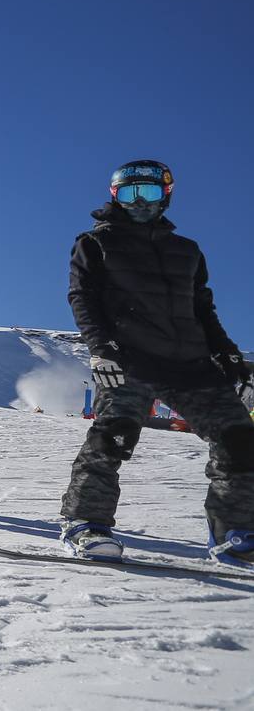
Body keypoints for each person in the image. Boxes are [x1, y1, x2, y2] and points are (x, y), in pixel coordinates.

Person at [60, 160, 254, 566]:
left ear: (166, 195)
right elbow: (83, 298)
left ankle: (233, 533)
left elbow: (203, 310)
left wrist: (229, 354)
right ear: (115, 197)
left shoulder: (187, 251)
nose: (140, 203)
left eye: (149, 193)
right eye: (129, 194)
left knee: (240, 439)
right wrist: (101, 347)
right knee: (114, 435)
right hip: (130, 359)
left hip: (191, 364)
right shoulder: (95, 243)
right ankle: (86, 523)